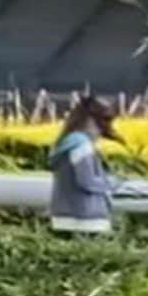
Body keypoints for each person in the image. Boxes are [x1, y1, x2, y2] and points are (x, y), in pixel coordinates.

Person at [47, 96, 121, 234]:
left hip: (62, 216)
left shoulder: (66, 144)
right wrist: (113, 184)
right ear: (89, 121)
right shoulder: (82, 146)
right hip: (87, 219)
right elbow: (86, 181)